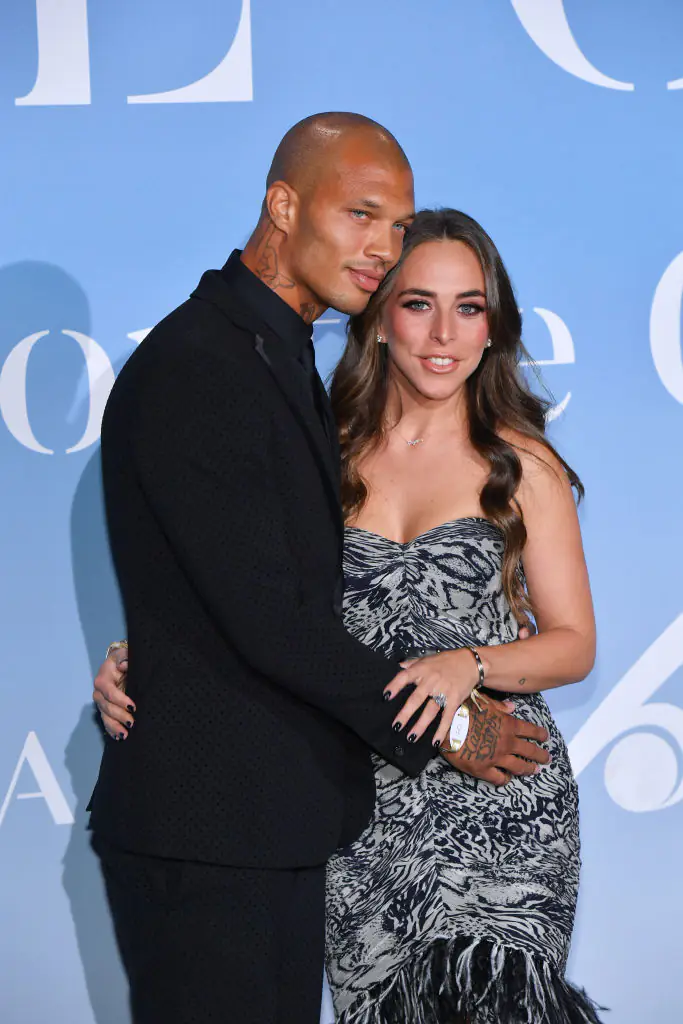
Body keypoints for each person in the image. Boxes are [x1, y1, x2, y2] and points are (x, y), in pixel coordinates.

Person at [88, 114, 550, 1024]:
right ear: (283, 204)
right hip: (209, 828)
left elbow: (252, 581)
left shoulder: (276, 351)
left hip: (271, 821)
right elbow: (267, 617)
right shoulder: (202, 363)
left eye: (396, 226)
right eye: (361, 215)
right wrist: (451, 723)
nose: (382, 248)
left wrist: (155, 645)